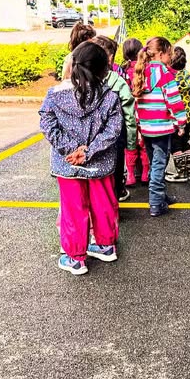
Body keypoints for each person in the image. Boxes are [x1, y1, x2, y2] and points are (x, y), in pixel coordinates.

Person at [39, 43, 122, 276]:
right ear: (104, 69)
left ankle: (76, 258)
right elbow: (113, 130)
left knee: (73, 210)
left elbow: (46, 123)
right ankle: (106, 245)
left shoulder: (55, 96)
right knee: (104, 204)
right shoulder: (110, 97)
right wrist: (89, 151)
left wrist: (70, 149)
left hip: (68, 165)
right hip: (100, 164)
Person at [131, 37, 188, 217]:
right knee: (158, 165)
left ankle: (160, 195)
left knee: (156, 162)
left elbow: (137, 103)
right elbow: (174, 101)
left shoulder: (141, 72)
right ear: (162, 54)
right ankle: (156, 203)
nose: (171, 58)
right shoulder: (165, 74)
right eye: (169, 54)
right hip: (162, 128)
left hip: (147, 128)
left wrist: (139, 125)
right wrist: (181, 123)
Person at [92, 35, 137, 202]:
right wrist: (131, 142)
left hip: (91, 136)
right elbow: (129, 115)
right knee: (115, 170)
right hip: (116, 136)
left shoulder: (81, 79)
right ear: (110, 58)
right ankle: (116, 197)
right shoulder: (117, 81)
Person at [166, 45, 190, 183]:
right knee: (185, 143)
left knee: (175, 146)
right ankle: (188, 172)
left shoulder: (171, 79)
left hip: (176, 118)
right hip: (188, 117)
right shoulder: (188, 77)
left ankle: (181, 173)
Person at [121, 37, 151, 186]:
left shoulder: (123, 71)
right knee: (144, 143)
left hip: (129, 114)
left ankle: (131, 175)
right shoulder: (145, 69)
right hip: (144, 112)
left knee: (130, 144)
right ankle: (145, 174)